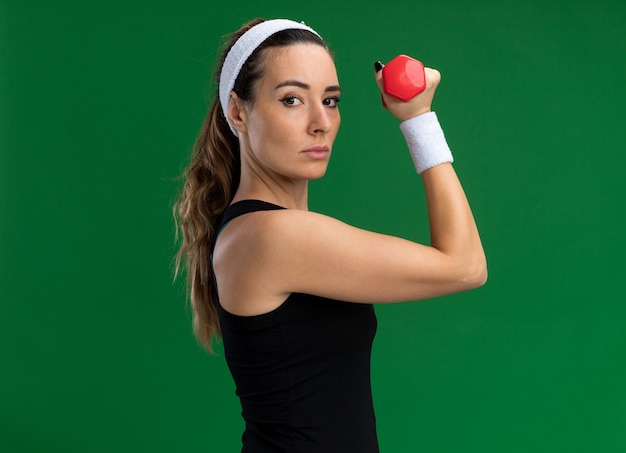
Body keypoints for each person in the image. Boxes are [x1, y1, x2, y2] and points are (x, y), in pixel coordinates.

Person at [174, 18, 487, 452]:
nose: (321, 122)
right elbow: (465, 266)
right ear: (237, 111)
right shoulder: (272, 236)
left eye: (331, 100)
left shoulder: (260, 232)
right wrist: (418, 118)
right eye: (291, 100)